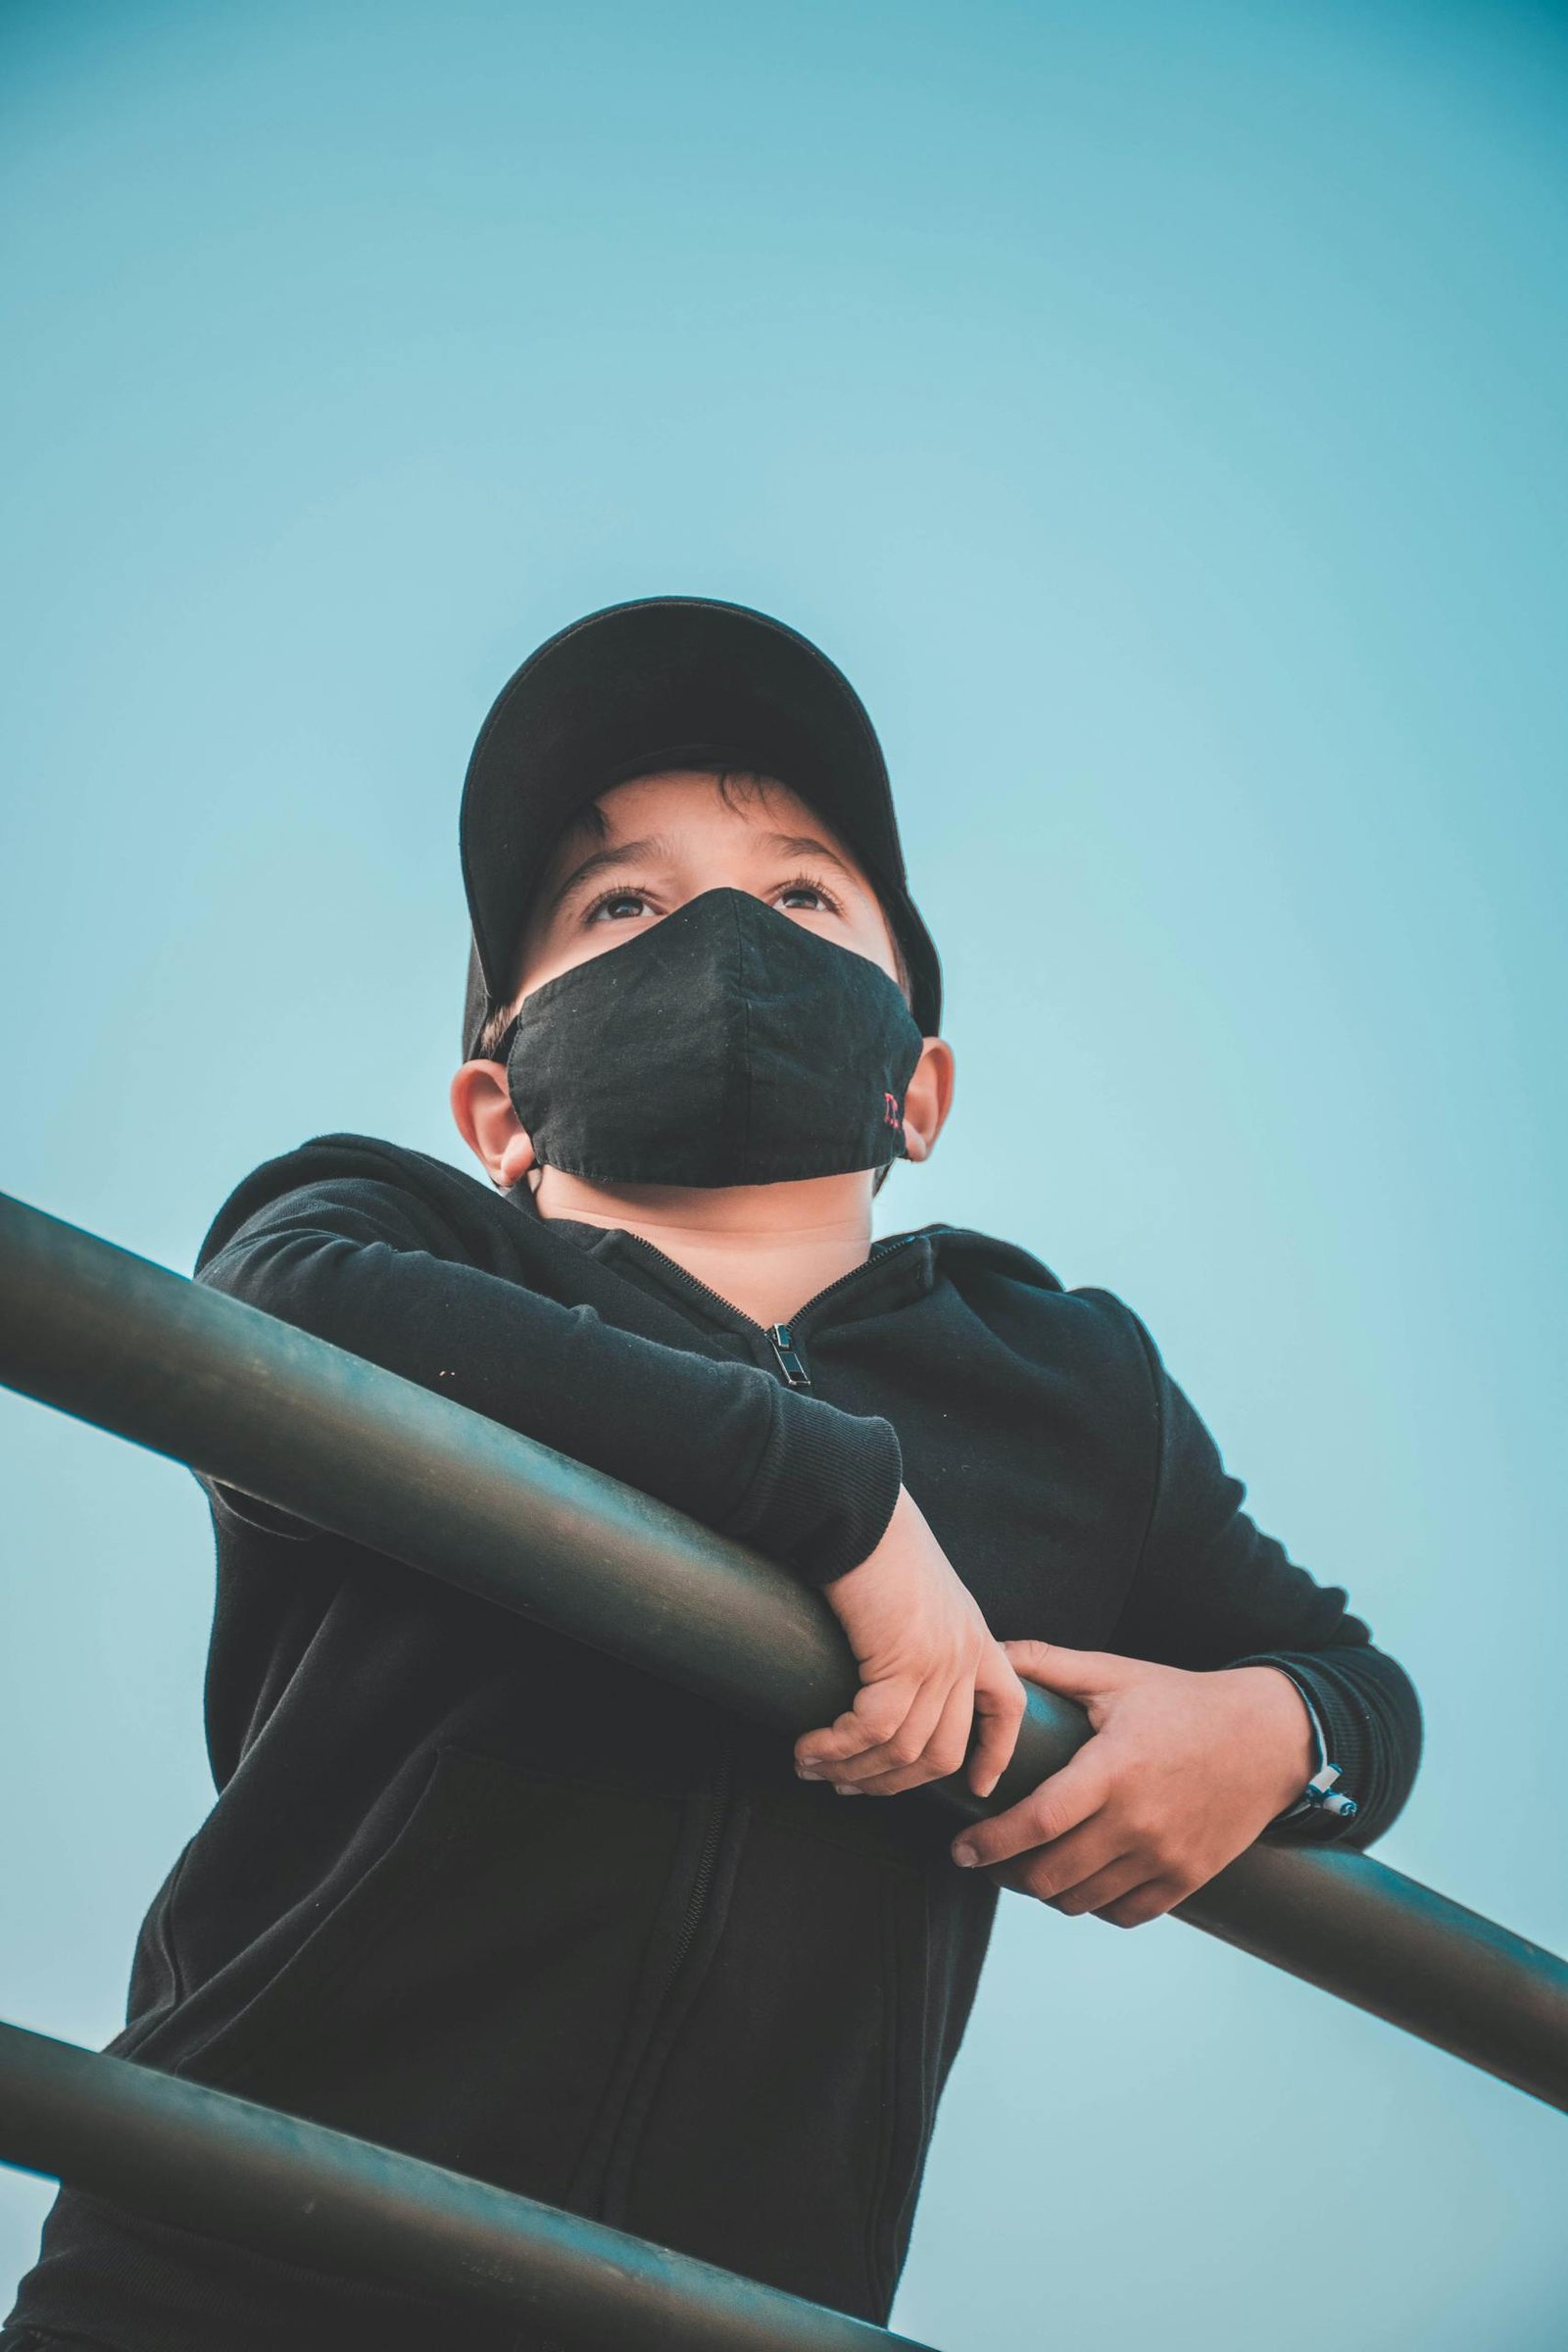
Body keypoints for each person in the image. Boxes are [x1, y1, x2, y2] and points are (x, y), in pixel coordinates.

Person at [3, 596, 1422, 2352]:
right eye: (622, 904)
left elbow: (1356, 1684)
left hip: (736, 2323)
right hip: (226, 2279)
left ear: (920, 1085)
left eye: (807, 891)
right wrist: (833, 1502)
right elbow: (268, 1325)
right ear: (497, 1112)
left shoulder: (1070, 1383)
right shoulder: (390, 1231)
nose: (728, 930)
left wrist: (1278, 1734)